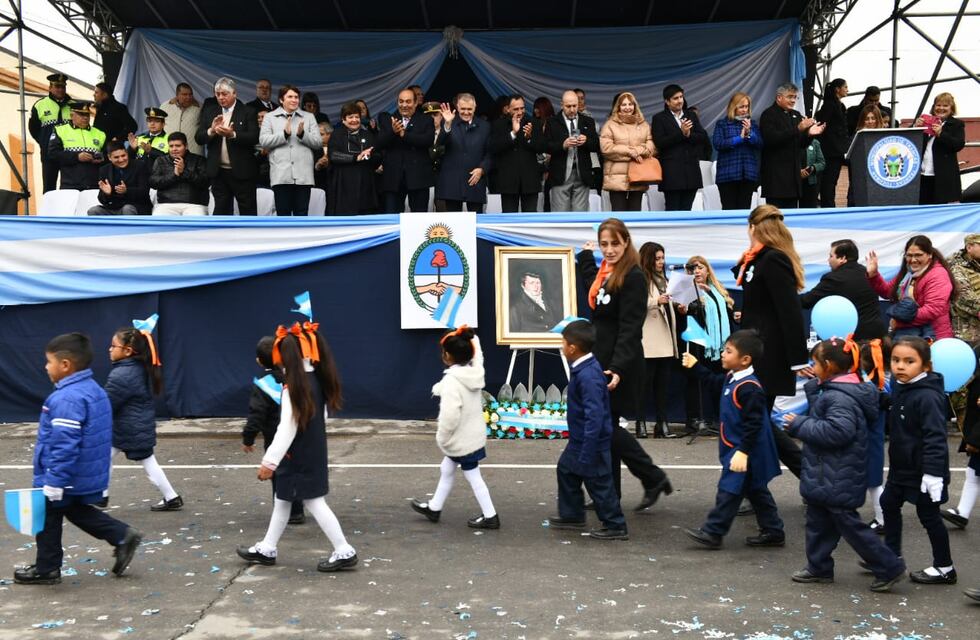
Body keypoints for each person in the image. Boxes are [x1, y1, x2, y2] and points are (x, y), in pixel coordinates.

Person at [12, 333, 142, 585]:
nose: (45, 367)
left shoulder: (66, 398)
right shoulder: (92, 390)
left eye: (48, 362)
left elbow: (64, 444)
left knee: (48, 514)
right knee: (73, 510)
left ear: (65, 365)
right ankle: (121, 535)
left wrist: (55, 480)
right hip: (81, 472)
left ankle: (47, 568)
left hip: (65, 474)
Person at [782, 337, 906, 592]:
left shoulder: (840, 398)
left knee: (849, 525)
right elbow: (827, 416)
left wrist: (799, 424)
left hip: (838, 473)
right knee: (818, 522)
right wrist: (815, 388)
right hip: (828, 471)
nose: (812, 367)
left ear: (828, 365)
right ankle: (818, 566)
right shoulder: (837, 390)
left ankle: (888, 566)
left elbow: (838, 431)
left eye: (815, 363)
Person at [236, 323, 357, 572]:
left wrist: (269, 462)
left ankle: (344, 549)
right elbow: (319, 418)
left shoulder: (296, 387)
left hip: (297, 453)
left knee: (313, 502)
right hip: (311, 449)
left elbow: (286, 429)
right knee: (283, 498)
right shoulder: (316, 379)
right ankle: (267, 547)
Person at [578, 218, 672, 511]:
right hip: (603, 358)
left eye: (614, 244)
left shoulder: (632, 276)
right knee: (607, 429)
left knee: (606, 427)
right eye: (604, 244)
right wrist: (586, 259)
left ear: (626, 243)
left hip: (621, 362)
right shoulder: (608, 274)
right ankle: (613, 493)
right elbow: (600, 300)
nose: (609, 250)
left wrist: (617, 368)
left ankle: (652, 477)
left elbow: (631, 327)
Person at [681, 330, 784, 549]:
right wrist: (696, 366)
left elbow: (754, 424)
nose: (722, 354)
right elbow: (713, 381)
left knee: (729, 490)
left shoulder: (749, 388)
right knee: (756, 491)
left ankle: (713, 532)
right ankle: (774, 530)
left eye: (728, 351)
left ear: (745, 359)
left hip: (744, 453)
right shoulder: (731, 378)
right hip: (736, 450)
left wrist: (744, 451)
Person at [734, 205, 808, 477]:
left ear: (753, 227)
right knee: (757, 421)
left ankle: (755, 484)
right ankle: (807, 475)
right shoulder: (759, 259)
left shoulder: (773, 259)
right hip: (755, 352)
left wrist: (797, 359)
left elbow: (789, 311)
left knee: (755, 421)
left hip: (768, 355)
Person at [880, 336, 956, 585]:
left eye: (909, 361)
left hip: (924, 472)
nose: (900, 366)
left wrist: (933, 474)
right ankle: (891, 558)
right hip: (901, 467)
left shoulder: (929, 397)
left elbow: (935, 437)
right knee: (888, 503)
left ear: (926, 367)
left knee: (929, 517)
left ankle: (945, 567)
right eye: (896, 360)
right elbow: (899, 407)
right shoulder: (904, 386)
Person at [410, 326, 499, 529]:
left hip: (460, 440)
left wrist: (442, 438)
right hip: (472, 436)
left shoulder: (451, 382)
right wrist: (473, 337)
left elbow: (449, 417)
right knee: (447, 468)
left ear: (447, 356)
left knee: (473, 476)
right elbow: (480, 356)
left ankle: (491, 515)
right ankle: (434, 508)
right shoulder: (475, 371)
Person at [547, 320, 628, 540]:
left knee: (599, 482)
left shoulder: (588, 376)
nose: (562, 347)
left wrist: (589, 448)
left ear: (573, 348)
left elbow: (596, 416)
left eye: (563, 343)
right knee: (566, 469)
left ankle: (615, 525)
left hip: (590, 441)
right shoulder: (585, 368)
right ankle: (572, 514)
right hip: (580, 439)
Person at [104, 325, 182, 511]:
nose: (109, 349)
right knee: (147, 462)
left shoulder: (122, 374)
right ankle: (171, 497)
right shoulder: (138, 367)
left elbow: (107, 404)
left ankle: (100, 496)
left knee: (103, 457)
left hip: (127, 428)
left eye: (113, 346)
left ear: (128, 351)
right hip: (136, 426)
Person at [242, 336, 304, 525]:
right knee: (295, 471)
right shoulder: (295, 378)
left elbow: (256, 414)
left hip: (274, 436)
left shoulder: (263, 384)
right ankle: (297, 509)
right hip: (297, 433)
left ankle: (284, 511)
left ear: (259, 361)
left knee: (277, 474)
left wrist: (248, 437)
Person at [681, 255, 736, 435]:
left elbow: (726, 315)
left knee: (718, 380)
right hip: (697, 344)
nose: (697, 271)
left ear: (707, 271)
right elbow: (684, 315)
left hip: (717, 346)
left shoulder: (717, 290)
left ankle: (718, 418)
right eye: (694, 268)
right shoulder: (686, 291)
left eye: (700, 268)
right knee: (694, 380)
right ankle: (694, 419)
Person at [866, 235, 956, 339]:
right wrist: (874, 275)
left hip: (933, 337)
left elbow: (932, 310)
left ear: (929, 255)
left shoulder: (938, 274)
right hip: (910, 336)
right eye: (909, 255)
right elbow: (888, 292)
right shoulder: (909, 274)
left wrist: (899, 322)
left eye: (918, 255)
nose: (913, 260)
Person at [195, 77, 259, 215]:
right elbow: (198, 138)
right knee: (221, 212)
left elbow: (254, 137)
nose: (220, 97)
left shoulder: (248, 111)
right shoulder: (210, 111)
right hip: (218, 172)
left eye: (224, 94)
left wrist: (233, 135)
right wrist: (211, 131)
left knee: (248, 211)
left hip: (242, 171)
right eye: (218, 94)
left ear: (234, 93)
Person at [800, 239, 886, 341]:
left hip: (855, 340)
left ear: (842, 258)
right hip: (878, 336)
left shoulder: (834, 278)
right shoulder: (867, 273)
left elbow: (807, 301)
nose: (828, 260)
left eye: (831, 256)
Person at [759, 83, 826, 208]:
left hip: (793, 179)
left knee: (791, 220)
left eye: (795, 97)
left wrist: (810, 134)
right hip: (776, 179)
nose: (793, 100)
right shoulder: (768, 114)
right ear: (779, 97)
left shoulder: (796, 115)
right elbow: (770, 139)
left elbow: (800, 144)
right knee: (776, 218)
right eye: (790, 97)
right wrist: (798, 128)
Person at [259, 85, 322, 216]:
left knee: (302, 213)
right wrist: (284, 135)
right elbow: (263, 141)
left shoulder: (309, 117)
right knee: (283, 214)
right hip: (281, 175)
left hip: (303, 175)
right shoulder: (270, 117)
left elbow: (318, 143)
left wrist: (302, 134)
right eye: (290, 97)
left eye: (296, 97)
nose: (294, 100)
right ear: (281, 100)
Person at [638, 242, 679, 439]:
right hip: (649, 338)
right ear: (648, 259)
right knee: (643, 385)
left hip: (665, 335)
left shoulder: (665, 279)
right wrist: (656, 301)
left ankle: (662, 424)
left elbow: (669, 302)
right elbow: (635, 304)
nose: (661, 262)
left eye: (663, 258)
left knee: (662, 385)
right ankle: (641, 422)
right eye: (657, 258)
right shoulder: (640, 279)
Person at [375, 88, 435, 213]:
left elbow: (427, 141)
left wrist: (403, 134)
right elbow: (379, 143)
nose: (404, 105)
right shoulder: (389, 119)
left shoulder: (426, 120)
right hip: (393, 178)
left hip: (418, 178)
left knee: (419, 217)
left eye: (408, 102)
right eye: (401, 101)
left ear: (415, 103)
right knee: (392, 216)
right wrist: (393, 132)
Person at [651, 84, 708, 211]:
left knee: (687, 209)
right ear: (667, 101)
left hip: (691, 171)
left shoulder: (691, 115)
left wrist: (688, 134)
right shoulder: (659, 118)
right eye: (675, 98)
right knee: (673, 209)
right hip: (672, 172)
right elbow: (660, 142)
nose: (680, 100)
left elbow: (702, 136)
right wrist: (680, 133)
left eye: (681, 97)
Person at [544, 90, 599, 212]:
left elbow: (596, 145)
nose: (572, 109)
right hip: (560, 175)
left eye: (575, 106)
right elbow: (545, 146)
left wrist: (587, 140)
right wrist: (562, 145)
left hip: (581, 174)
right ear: (562, 104)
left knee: (580, 218)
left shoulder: (588, 121)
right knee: (560, 217)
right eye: (568, 106)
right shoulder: (552, 122)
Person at [435, 94, 491, 213]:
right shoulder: (448, 122)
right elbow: (440, 143)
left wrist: (482, 169)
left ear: (475, 108)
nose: (466, 112)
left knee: (476, 223)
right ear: (457, 107)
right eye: (463, 109)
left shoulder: (485, 126)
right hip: (452, 182)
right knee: (453, 225)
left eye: (469, 109)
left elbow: (490, 153)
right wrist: (447, 124)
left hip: (475, 180)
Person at [600, 92, 655, 212]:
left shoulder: (644, 124)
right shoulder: (610, 125)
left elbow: (651, 146)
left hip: (638, 177)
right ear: (618, 107)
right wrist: (630, 153)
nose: (627, 107)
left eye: (630, 104)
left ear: (635, 106)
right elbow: (606, 148)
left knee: (635, 214)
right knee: (618, 214)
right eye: (624, 104)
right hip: (616, 179)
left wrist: (637, 151)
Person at [488, 95, 542, 212]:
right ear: (508, 109)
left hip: (530, 181)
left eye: (522, 108)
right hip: (508, 182)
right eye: (515, 109)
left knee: (530, 219)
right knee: (508, 218)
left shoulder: (533, 122)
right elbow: (493, 148)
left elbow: (542, 147)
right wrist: (513, 133)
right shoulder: (499, 124)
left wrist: (529, 138)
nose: (520, 112)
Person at [712, 92, 763, 210]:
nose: (745, 110)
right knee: (729, 210)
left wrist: (749, 132)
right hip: (727, 174)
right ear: (733, 107)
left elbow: (760, 144)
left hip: (748, 174)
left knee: (744, 210)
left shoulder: (752, 124)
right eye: (741, 107)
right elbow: (718, 144)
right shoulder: (722, 124)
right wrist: (739, 139)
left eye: (746, 106)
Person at [327, 101, 378, 215]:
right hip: (343, 185)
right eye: (350, 117)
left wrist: (368, 156)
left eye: (357, 117)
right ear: (343, 119)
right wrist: (356, 158)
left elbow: (377, 157)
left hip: (365, 185)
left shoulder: (368, 135)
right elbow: (333, 155)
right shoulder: (336, 134)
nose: (354, 120)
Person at [915, 93, 966, 205]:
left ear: (951, 108)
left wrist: (941, 134)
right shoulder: (925, 121)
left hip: (943, 178)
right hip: (922, 175)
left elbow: (958, 144)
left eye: (945, 106)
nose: (941, 108)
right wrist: (915, 128)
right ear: (933, 107)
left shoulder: (957, 124)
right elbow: (911, 144)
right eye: (938, 105)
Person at [48, 100, 106, 191]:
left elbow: (108, 155)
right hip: (70, 185)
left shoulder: (100, 133)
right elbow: (53, 154)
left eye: (87, 115)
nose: (85, 118)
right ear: (71, 115)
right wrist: (76, 157)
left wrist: (102, 158)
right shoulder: (60, 130)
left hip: (94, 185)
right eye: (81, 115)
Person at [29, 72, 72, 192]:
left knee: (70, 187)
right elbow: (33, 128)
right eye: (57, 86)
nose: (60, 89)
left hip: (69, 153)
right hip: (49, 153)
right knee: (49, 187)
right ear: (50, 88)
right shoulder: (40, 105)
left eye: (62, 87)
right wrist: (44, 142)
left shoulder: (73, 106)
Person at [149, 132, 210, 216]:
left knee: (197, 222)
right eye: (171, 146)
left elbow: (205, 182)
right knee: (159, 220)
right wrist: (174, 175)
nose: (174, 149)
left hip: (194, 205)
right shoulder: (161, 161)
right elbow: (153, 183)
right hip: (166, 204)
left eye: (178, 146)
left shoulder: (198, 160)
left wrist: (184, 171)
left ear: (186, 146)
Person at [88, 141, 152, 215]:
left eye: (123, 155)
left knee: (127, 209)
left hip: (136, 207)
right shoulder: (104, 170)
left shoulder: (140, 166)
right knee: (93, 211)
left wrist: (126, 191)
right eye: (116, 157)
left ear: (127, 154)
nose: (121, 160)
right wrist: (106, 194)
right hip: (113, 208)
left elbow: (144, 192)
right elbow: (102, 199)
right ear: (109, 157)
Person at [815, 79, 849, 208]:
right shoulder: (829, 105)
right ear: (837, 89)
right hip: (829, 151)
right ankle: (827, 206)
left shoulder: (841, 106)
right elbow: (823, 125)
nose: (847, 89)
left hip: (837, 150)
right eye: (845, 87)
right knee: (828, 183)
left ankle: (829, 205)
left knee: (832, 182)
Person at [161, 82, 202, 155]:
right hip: (169, 151)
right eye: (185, 94)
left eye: (190, 94)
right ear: (177, 95)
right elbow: (159, 126)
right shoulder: (165, 106)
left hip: (193, 151)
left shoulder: (200, 108)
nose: (188, 97)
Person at [799, 137, 826, 208]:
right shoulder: (792, 141)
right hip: (794, 183)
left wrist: (812, 168)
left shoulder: (815, 142)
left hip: (810, 183)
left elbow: (822, 163)